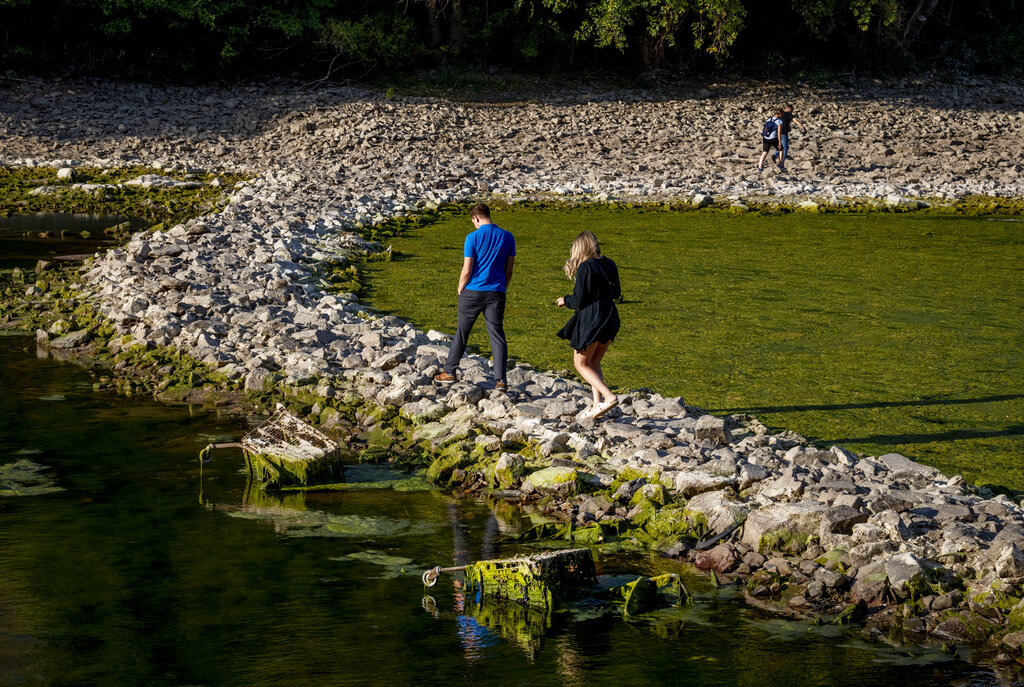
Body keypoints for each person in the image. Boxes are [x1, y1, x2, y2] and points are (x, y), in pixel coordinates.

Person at [434, 203, 516, 390]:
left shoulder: (472, 237)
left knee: (462, 333)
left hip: (472, 291)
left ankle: (450, 372)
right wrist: (503, 287)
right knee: (497, 335)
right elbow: (509, 269)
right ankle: (501, 380)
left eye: (474, 222)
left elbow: (467, 269)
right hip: (496, 292)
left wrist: (460, 288)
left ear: (476, 218)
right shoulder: (508, 237)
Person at [555, 231, 620, 420]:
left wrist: (564, 300)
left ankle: (609, 397)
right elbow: (616, 292)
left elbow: (578, 300)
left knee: (580, 363)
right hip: (610, 315)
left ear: (580, 248)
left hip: (592, 318)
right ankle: (596, 405)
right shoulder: (610, 264)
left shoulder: (585, 267)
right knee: (594, 363)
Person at [773, 105, 806, 171]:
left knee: (784, 147)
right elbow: (795, 121)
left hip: (776, 133)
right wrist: (802, 127)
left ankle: (775, 155)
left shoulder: (780, 114)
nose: (792, 111)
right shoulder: (788, 114)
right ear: (788, 109)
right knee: (785, 148)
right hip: (783, 133)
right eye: (792, 110)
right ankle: (781, 164)